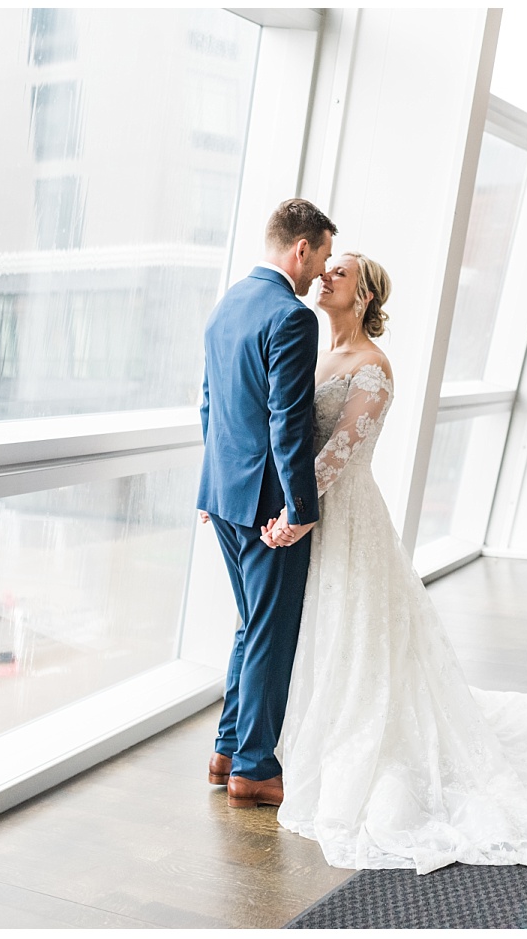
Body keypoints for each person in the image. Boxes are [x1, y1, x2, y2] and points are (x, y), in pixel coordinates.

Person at [261, 252, 527, 874]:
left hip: (346, 514)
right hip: (309, 516)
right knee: (320, 631)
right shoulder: (315, 353)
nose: (325, 276)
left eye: (342, 272)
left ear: (363, 296)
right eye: (326, 268)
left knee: (355, 633)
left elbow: (339, 453)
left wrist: (290, 514)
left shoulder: (373, 367)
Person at [196, 198, 336, 809]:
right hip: (266, 507)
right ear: (300, 249)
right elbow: (288, 424)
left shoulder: (227, 304)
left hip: (225, 494)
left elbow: (210, 404)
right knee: (271, 631)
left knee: (250, 623)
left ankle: (227, 746)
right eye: (322, 256)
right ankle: (254, 767)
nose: (320, 273)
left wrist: (211, 486)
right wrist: (300, 509)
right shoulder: (292, 317)